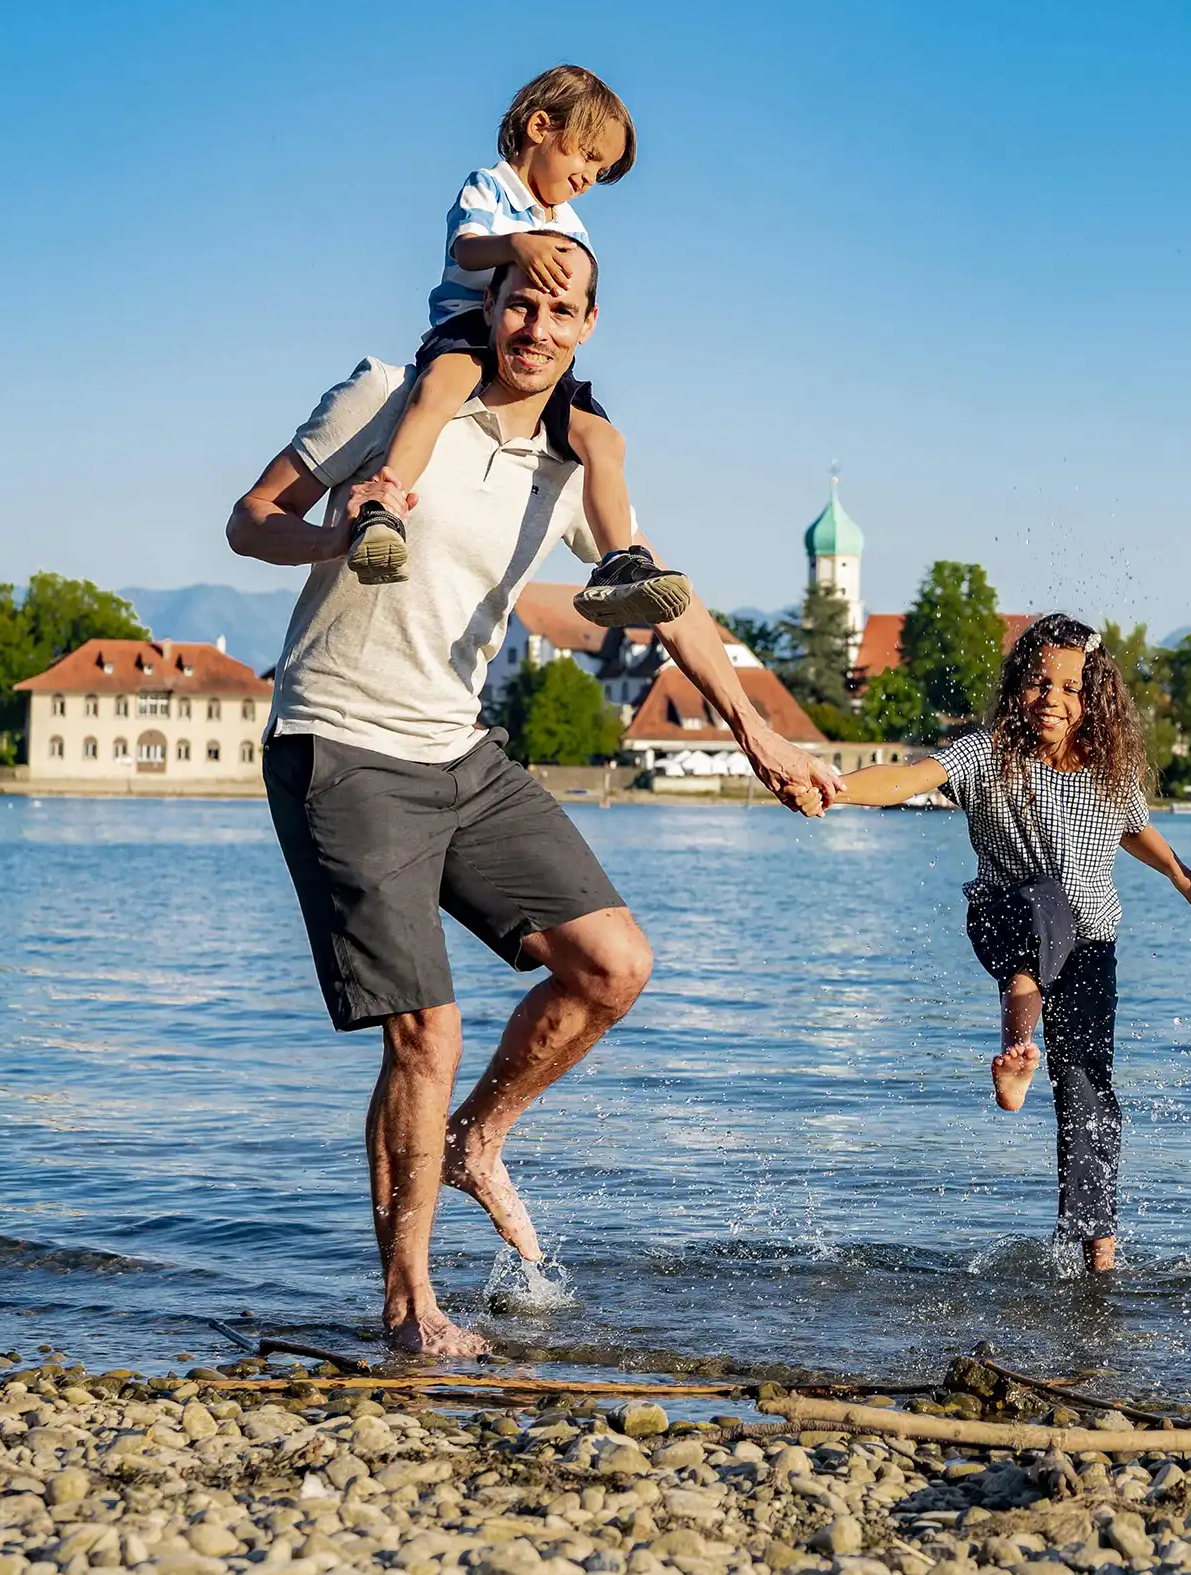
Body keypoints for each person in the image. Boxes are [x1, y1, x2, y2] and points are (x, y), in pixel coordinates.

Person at [227, 245, 838, 1354]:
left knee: (614, 962)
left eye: (561, 311)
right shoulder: (389, 393)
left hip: (458, 749)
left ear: (588, 326)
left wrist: (761, 734)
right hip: (342, 742)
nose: (537, 326)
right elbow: (248, 517)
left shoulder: (571, 458)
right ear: (491, 306)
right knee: (427, 1031)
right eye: (521, 303)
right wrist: (343, 527)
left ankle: (476, 1142)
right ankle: (410, 1301)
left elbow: (671, 604)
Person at [832, 616, 1191, 1273]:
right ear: (1017, 687)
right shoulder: (987, 754)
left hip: (1091, 948)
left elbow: (1134, 830)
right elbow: (912, 775)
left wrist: (1184, 879)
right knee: (1045, 905)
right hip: (1003, 917)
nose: (1052, 696)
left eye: (1070, 686)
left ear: (1093, 699)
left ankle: (1095, 1252)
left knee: (1089, 1093)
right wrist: (837, 788)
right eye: (1039, 681)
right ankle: (1016, 1049)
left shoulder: (1108, 772)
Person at [345, 63, 690, 631]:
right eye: (586, 156)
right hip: (470, 331)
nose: (589, 177)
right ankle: (385, 503)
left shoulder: (572, 225)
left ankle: (619, 562)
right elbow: (467, 252)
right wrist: (518, 248)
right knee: (438, 391)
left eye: (600, 171)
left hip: (535, 356)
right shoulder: (490, 187)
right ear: (539, 128)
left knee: (602, 439)